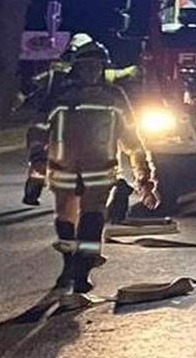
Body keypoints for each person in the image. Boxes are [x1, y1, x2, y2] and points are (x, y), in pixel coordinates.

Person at [38, 36, 158, 292]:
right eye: (86, 66)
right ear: (77, 68)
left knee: (92, 221)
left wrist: (144, 177)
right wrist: (36, 160)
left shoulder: (114, 98)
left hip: (100, 171)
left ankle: (82, 271)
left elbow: (132, 140)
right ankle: (68, 264)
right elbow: (39, 128)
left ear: (103, 69)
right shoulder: (61, 96)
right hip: (63, 170)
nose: (91, 71)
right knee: (65, 222)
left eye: (96, 66)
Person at [15, 32, 140, 207]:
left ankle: (36, 190)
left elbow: (38, 85)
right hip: (67, 118)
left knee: (53, 158)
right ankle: (37, 189)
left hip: (65, 120)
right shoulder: (71, 73)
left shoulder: (61, 69)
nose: (91, 70)